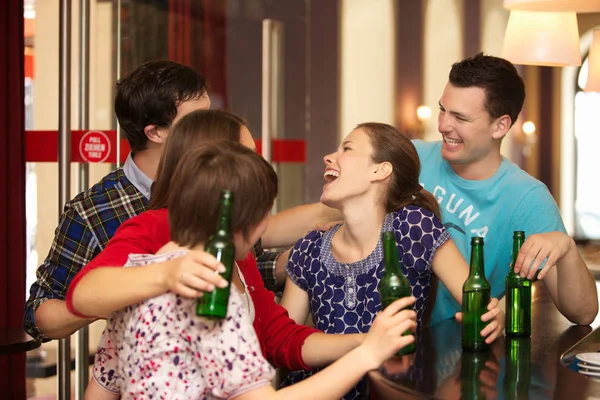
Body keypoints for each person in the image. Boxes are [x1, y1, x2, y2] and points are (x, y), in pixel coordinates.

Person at [83, 140, 418, 400]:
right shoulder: (214, 296)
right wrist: (368, 353)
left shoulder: (138, 277)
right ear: (249, 221)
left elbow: (102, 384)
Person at [66, 109, 367, 374]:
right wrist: (167, 273)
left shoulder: (234, 248)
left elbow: (278, 336)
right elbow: (84, 293)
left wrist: (363, 343)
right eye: (249, 155)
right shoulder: (156, 225)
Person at [278, 122, 504, 400]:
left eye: (346, 148)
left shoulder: (413, 227)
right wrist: (367, 345)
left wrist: (493, 316)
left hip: (396, 392)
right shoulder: (309, 247)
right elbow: (283, 346)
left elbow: (477, 300)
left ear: (380, 170)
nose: (329, 157)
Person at [24, 60, 211, 341]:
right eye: (198, 121)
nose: (212, 130)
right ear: (156, 132)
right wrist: (109, 294)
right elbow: (38, 314)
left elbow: (253, 271)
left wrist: (300, 256)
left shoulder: (213, 186)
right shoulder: (93, 210)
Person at [414, 52, 598, 326]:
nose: (442, 125)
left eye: (460, 118)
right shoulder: (412, 156)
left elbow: (583, 313)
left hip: (452, 349)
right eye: (443, 109)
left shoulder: (527, 199)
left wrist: (567, 247)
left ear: (500, 125)